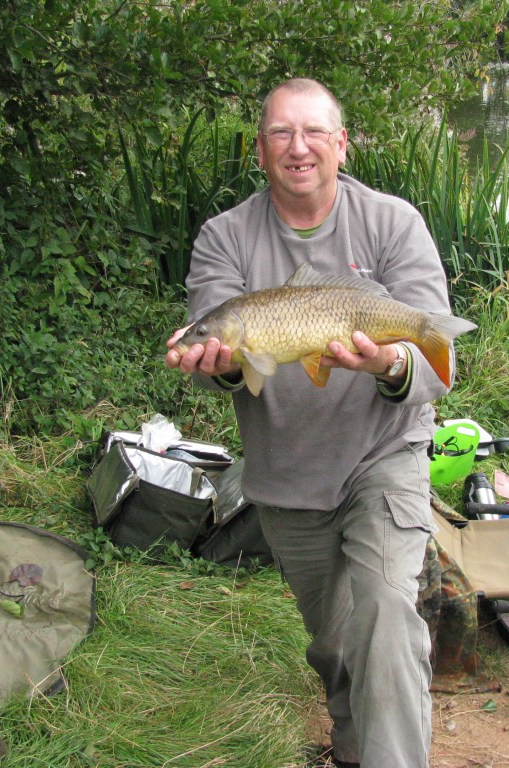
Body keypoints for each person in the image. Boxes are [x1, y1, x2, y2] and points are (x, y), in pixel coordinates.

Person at [165, 78, 463, 768]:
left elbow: (434, 372)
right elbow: (232, 361)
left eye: (313, 133)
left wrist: (392, 364)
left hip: (382, 454)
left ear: (341, 144)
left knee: (387, 618)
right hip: (287, 470)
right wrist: (220, 363)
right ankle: (354, 744)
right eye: (279, 134)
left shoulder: (393, 224)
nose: (298, 148)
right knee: (334, 643)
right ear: (261, 152)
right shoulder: (224, 238)